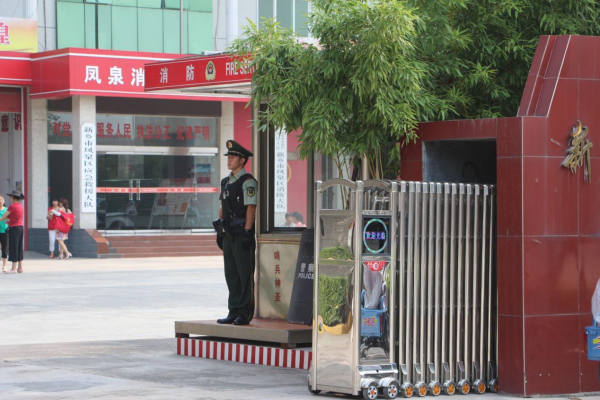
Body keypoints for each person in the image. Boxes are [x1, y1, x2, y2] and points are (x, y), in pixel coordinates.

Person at [215, 140, 257, 326]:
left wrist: (248, 230)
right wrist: (219, 229)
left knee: (244, 274)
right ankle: (233, 310)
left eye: (233, 157)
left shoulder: (248, 181)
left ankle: (244, 313)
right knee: (231, 274)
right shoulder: (226, 182)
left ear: (242, 160)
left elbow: (251, 207)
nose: (229, 159)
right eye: (229, 156)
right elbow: (222, 206)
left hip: (241, 234)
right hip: (228, 234)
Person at [0, 190, 25, 273]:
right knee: (19, 247)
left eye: (11, 196)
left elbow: (4, 216)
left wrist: (1, 219)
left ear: (13, 197)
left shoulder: (12, 206)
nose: (10, 198)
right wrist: (9, 221)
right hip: (20, 228)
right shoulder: (20, 206)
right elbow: (15, 217)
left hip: (14, 229)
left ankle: (13, 268)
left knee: (13, 247)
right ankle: (20, 267)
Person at [0, 196, 8, 272]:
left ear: (4, 201)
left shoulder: (7, 209)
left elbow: (10, 218)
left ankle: (4, 266)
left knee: (4, 248)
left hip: (4, 231)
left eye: (1, 200)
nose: (0, 201)